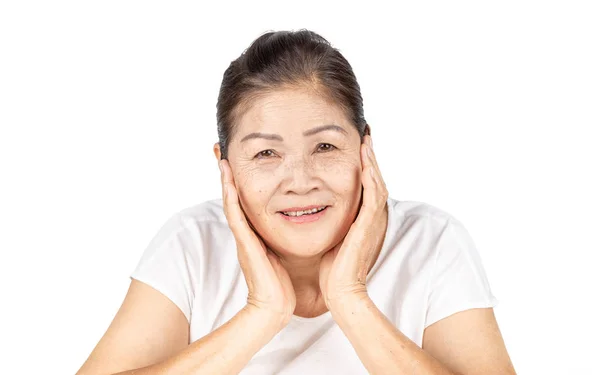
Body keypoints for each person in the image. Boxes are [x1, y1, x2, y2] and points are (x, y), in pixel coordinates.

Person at [76, 29, 516, 375]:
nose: (300, 182)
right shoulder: (192, 244)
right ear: (224, 164)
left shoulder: (432, 242)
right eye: (266, 154)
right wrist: (261, 312)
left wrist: (350, 299)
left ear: (366, 149)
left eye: (325, 147)